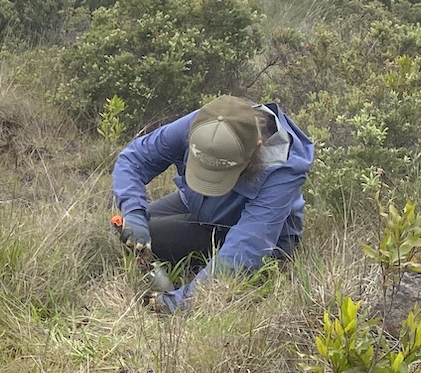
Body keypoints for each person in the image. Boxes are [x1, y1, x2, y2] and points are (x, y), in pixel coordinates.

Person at [110, 94, 313, 313]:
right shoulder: (204, 124)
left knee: (155, 236)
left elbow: (246, 248)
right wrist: (134, 211)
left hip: (249, 231)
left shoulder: (282, 169)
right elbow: (134, 159)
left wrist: (182, 300)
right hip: (195, 204)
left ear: (256, 146)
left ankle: (201, 268)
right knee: (130, 233)